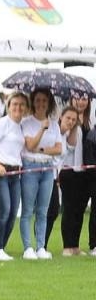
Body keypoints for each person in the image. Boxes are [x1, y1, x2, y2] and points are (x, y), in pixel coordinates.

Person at [0, 91, 29, 261]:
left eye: (21, 104)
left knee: (13, 212)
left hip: (15, 173)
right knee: (5, 210)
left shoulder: (22, 126)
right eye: (14, 104)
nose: (18, 107)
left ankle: (2, 247)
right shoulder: (2, 123)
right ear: (8, 106)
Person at [18, 88, 62, 260]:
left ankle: (41, 247)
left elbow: (58, 149)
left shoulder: (54, 124)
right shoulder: (26, 122)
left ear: (49, 103)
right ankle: (28, 247)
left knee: (43, 211)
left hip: (48, 168)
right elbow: (29, 146)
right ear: (33, 102)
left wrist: (42, 150)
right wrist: (42, 129)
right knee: (28, 210)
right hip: (30, 166)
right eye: (38, 100)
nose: (41, 104)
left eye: (44, 100)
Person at [55, 93, 93, 256]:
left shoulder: (89, 121)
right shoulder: (69, 119)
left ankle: (75, 245)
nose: (81, 102)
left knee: (79, 209)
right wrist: (73, 124)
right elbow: (68, 145)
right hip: (69, 169)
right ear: (71, 99)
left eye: (84, 99)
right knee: (69, 209)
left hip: (85, 172)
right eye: (78, 98)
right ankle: (67, 246)